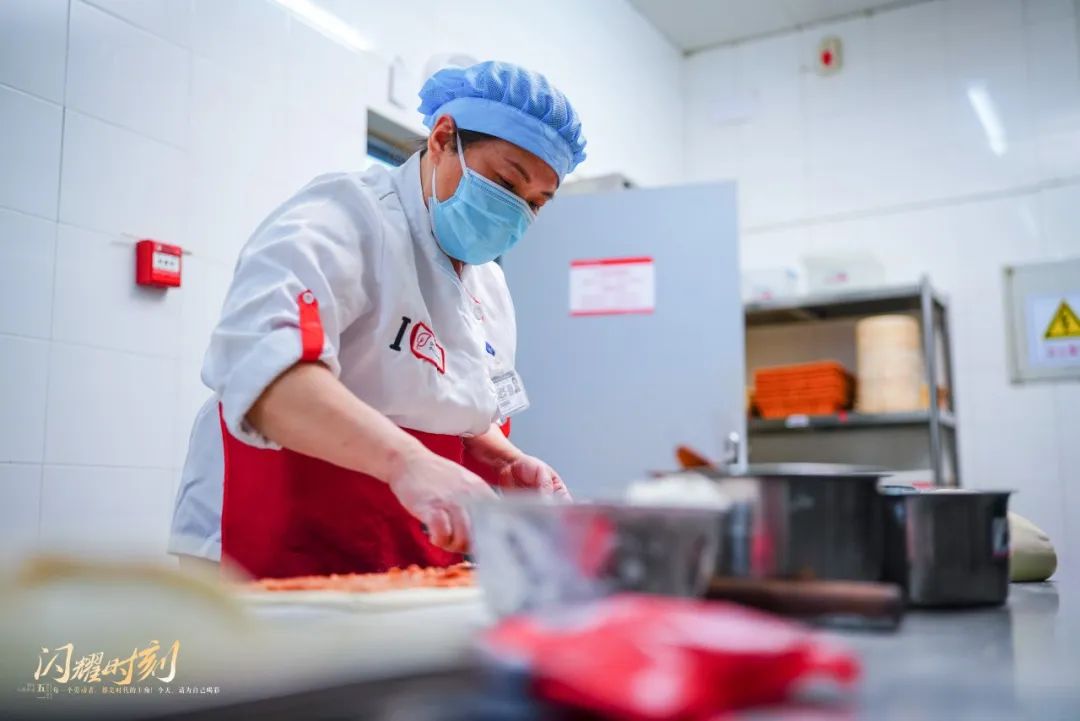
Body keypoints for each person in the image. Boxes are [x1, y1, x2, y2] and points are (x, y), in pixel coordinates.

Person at [168, 61, 586, 579]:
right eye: (505, 182)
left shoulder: (490, 288)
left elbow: (452, 409)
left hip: (403, 547)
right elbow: (262, 369)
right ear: (443, 137)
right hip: (272, 526)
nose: (515, 212)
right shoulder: (345, 216)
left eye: (535, 203)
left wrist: (505, 460)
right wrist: (407, 462)